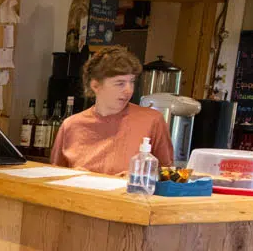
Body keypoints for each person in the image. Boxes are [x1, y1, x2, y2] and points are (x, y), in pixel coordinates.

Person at [51, 46, 174, 174]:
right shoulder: (71, 125)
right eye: (120, 83)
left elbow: (168, 174)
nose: (129, 90)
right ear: (95, 85)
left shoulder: (152, 120)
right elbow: (54, 177)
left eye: (131, 82)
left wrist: (139, 177)